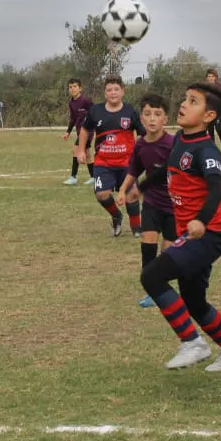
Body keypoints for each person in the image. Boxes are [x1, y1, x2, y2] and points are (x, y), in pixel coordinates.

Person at [137, 81, 221, 371]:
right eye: (185, 99)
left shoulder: (207, 151)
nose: (184, 105)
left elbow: (216, 190)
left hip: (209, 233)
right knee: (194, 300)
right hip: (196, 231)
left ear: (209, 116)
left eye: (193, 101)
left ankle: (193, 343)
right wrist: (142, 186)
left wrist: (200, 219)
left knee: (152, 276)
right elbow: (165, 172)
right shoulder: (179, 141)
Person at [119, 93, 177, 308]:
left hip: (174, 206)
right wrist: (124, 189)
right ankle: (152, 291)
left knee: (168, 253)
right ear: (141, 119)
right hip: (152, 203)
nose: (152, 119)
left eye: (157, 114)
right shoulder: (140, 145)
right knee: (148, 244)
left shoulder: (173, 144)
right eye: (147, 114)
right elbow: (134, 170)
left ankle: (162, 288)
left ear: (165, 119)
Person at [78, 75, 145, 237]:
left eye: (116, 89)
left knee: (132, 194)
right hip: (103, 163)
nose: (113, 92)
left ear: (123, 91)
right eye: (109, 90)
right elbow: (85, 130)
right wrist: (81, 150)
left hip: (127, 163)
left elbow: (143, 133)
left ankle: (136, 227)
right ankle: (116, 216)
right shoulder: (96, 111)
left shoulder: (130, 111)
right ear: (105, 92)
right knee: (102, 194)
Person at [62, 78, 94, 186]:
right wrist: (68, 131)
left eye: (75, 86)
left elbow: (95, 113)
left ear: (80, 88)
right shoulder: (71, 102)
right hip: (79, 131)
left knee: (76, 149)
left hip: (87, 132)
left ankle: (73, 177)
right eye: (70, 87)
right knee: (88, 154)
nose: (72, 89)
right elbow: (72, 119)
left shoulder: (86, 101)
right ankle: (94, 177)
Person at [204, 69, 221, 155]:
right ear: (206, 78)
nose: (210, 78)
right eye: (209, 76)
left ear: (215, 78)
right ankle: (213, 149)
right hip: (208, 112)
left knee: (218, 129)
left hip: (218, 112)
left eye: (212, 76)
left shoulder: (219, 87)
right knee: (210, 131)